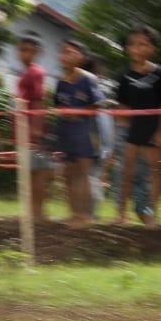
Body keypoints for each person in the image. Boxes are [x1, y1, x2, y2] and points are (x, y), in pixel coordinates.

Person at [113, 26, 161, 226]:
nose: (137, 48)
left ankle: (151, 214)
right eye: (133, 44)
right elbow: (122, 107)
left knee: (154, 173)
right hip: (131, 131)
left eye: (143, 44)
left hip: (153, 129)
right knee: (126, 171)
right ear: (127, 48)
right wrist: (120, 132)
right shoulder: (124, 75)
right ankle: (121, 214)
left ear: (152, 49)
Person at [53, 39, 105, 228]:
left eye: (71, 52)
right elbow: (58, 106)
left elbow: (98, 105)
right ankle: (74, 214)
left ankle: (85, 216)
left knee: (84, 174)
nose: (65, 55)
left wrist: (78, 113)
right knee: (69, 174)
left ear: (81, 57)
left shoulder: (88, 79)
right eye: (63, 51)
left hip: (86, 132)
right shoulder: (60, 82)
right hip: (66, 133)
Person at [14, 33, 55, 222]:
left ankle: (38, 211)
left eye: (30, 50)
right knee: (30, 172)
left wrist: (36, 130)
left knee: (36, 172)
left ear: (38, 52)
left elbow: (39, 102)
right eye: (23, 50)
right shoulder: (25, 73)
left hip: (33, 131)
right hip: (24, 129)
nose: (26, 54)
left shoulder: (36, 72)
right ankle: (34, 211)